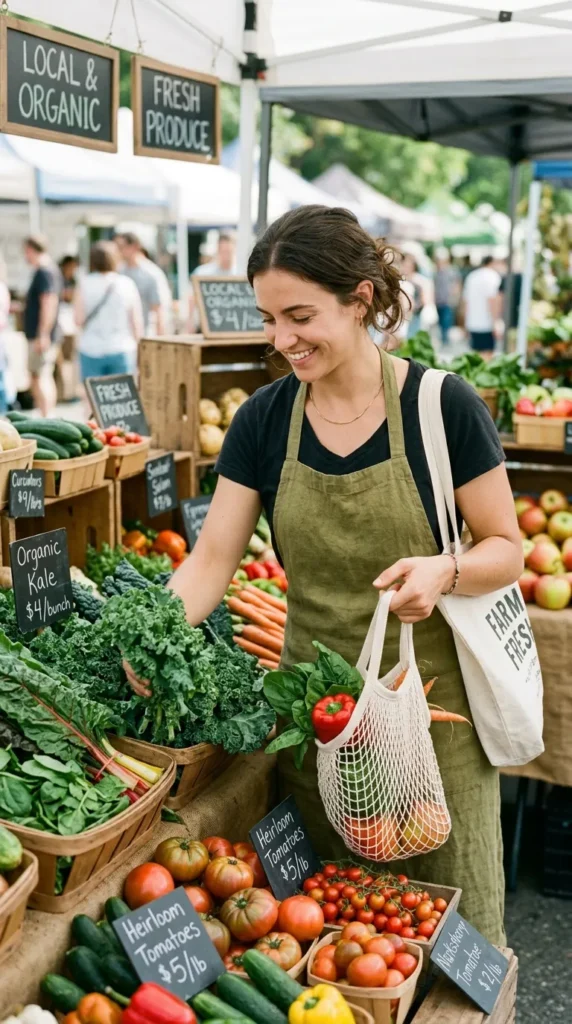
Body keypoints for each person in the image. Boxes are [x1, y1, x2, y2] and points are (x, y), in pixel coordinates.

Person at [124, 205, 522, 945]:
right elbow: (210, 562)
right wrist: (150, 636)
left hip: (433, 721)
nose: (282, 340)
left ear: (361, 298)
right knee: (335, 942)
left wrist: (445, 570)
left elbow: (507, 548)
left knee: (452, 940)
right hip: (319, 725)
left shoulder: (442, 408)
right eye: (270, 319)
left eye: (300, 316)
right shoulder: (263, 421)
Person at [74, 241, 143, 381]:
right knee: (121, 392)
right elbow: (136, 322)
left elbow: (78, 320)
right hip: (121, 347)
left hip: (91, 348)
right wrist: (140, 349)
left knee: (93, 393)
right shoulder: (126, 284)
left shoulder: (84, 283)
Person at [23, 235, 60, 416]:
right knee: (40, 375)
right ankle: (47, 415)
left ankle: (46, 417)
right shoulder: (48, 270)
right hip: (41, 334)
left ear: (31, 249)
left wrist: (43, 334)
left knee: (40, 376)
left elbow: (48, 303)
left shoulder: (45, 272)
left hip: (41, 335)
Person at [115, 233, 164, 335]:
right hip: (121, 335)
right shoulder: (117, 271)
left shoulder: (150, 274)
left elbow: (157, 309)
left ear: (134, 247)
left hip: (144, 334)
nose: (118, 251)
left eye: (121, 247)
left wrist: (160, 337)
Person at [462, 255, 503, 358]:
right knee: (487, 355)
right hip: (487, 323)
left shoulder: (471, 276)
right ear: (492, 263)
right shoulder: (493, 276)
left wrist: (465, 322)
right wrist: (496, 323)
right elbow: (493, 301)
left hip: (472, 322)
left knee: (475, 356)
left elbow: (466, 302)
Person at [434, 251, 460, 345]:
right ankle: (443, 337)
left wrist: (455, 296)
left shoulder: (452, 271)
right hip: (438, 300)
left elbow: (456, 285)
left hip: (448, 301)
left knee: (446, 320)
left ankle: (445, 338)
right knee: (441, 320)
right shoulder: (436, 272)